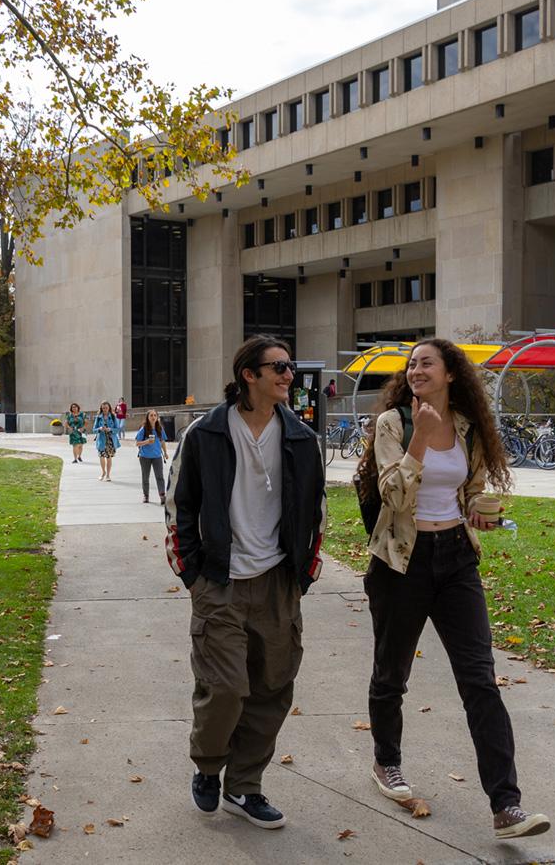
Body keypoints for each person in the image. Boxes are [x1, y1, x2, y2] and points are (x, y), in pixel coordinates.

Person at [354, 338, 550, 840]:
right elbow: (393, 496)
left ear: (451, 374)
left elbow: (469, 486)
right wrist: (419, 439)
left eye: (426, 363)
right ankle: (387, 762)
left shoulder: (466, 425)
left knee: (480, 680)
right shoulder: (393, 424)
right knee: (390, 674)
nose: (416, 370)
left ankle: (507, 805)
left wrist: (478, 512)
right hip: (402, 561)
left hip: (457, 561)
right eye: (412, 364)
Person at [165, 335, 326, 830]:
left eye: (290, 367)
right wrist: (193, 575)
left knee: (273, 687)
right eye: (277, 367)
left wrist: (303, 575)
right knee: (227, 687)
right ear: (248, 375)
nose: (288, 375)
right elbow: (178, 504)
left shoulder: (301, 437)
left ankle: (245, 786)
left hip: (278, 580)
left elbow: (317, 511)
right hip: (220, 580)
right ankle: (209, 767)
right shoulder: (206, 433)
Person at [134, 409, 169, 504]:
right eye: (151, 415)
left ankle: (162, 495)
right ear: (148, 418)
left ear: (157, 417)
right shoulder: (144, 429)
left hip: (157, 456)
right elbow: (137, 443)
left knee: (160, 476)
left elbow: (162, 441)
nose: (153, 417)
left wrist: (165, 453)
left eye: (155, 415)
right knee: (145, 477)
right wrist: (147, 442)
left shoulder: (159, 428)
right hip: (144, 457)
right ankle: (146, 495)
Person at [92, 401, 121, 481]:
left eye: (106, 408)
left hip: (110, 440)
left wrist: (110, 429)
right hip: (101, 439)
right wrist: (99, 429)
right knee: (101, 457)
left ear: (109, 408)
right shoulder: (98, 417)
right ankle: (103, 472)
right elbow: (93, 430)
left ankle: (108, 475)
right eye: (103, 408)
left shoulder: (113, 416)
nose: (105, 409)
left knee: (108, 457)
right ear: (101, 408)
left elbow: (118, 429)